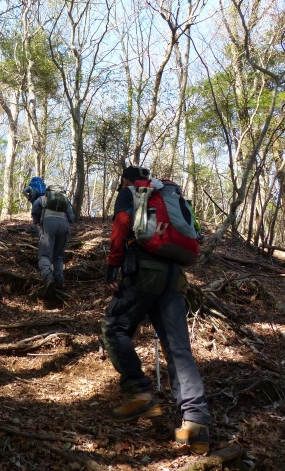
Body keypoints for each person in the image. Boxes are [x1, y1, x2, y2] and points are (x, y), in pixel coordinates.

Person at [101, 166, 211, 455]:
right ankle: (196, 423)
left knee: (114, 327)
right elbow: (196, 234)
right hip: (175, 275)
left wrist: (113, 266)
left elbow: (123, 221)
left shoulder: (129, 191)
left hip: (144, 271)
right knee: (178, 348)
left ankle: (138, 391)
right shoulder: (168, 193)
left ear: (125, 179)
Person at [31, 187, 75, 308]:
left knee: (44, 255)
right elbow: (72, 218)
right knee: (59, 256)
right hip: (63, 225)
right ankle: (59, 282)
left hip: (48, 224)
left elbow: (35, 218)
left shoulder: (41, 199)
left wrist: (40, 233)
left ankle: (48, 277)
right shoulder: (65, 200)